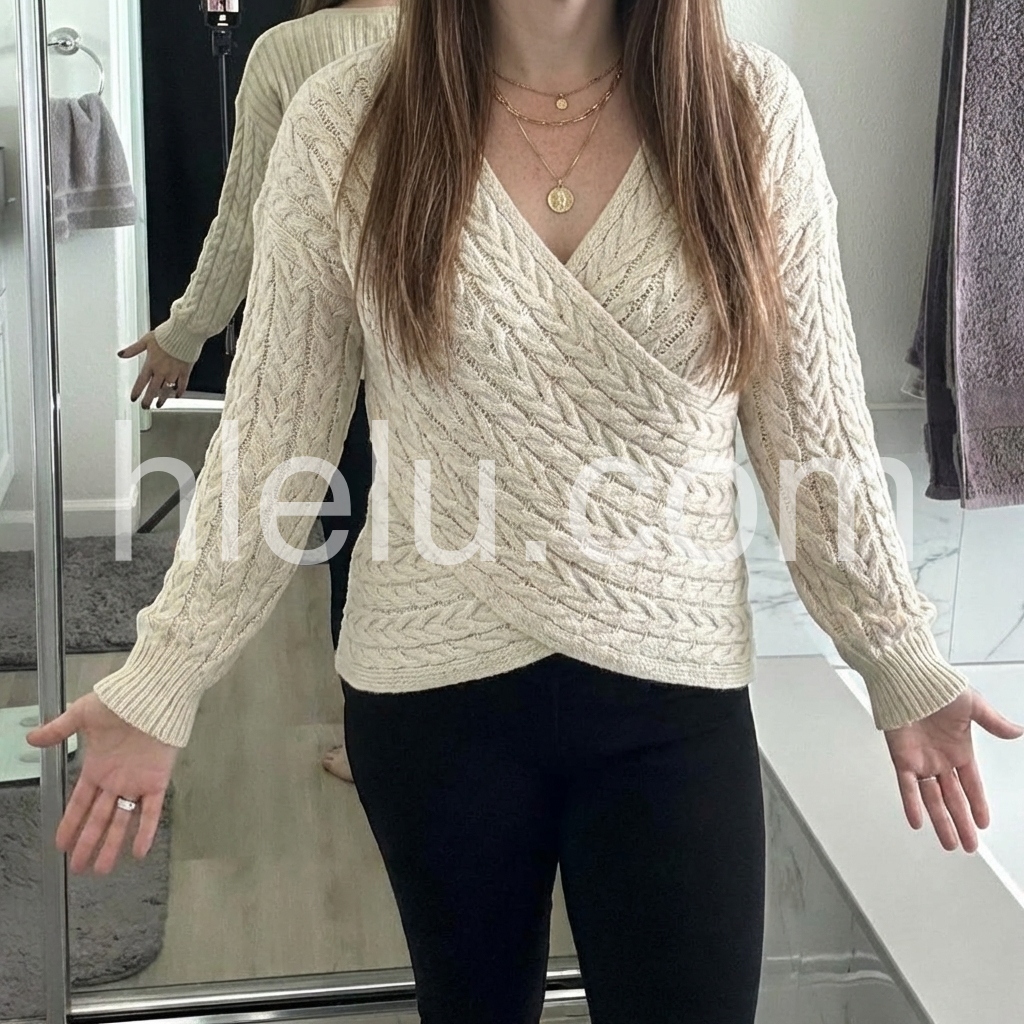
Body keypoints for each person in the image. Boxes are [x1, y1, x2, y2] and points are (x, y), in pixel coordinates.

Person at [30, 1, 1024, 1021]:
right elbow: (272, 439)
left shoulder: (747, 110)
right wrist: (167, 672)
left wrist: (894, 653)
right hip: (431, 695)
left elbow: (814, 430)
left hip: (671, 688)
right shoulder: (347, 120)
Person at [118, 0, 398, 782]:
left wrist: (186, 331)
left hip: (338, 349)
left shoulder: (288, 51)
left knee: (355, 549)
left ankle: (373, 743)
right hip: (457, 353)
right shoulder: (477, 32)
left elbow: (248, 215)